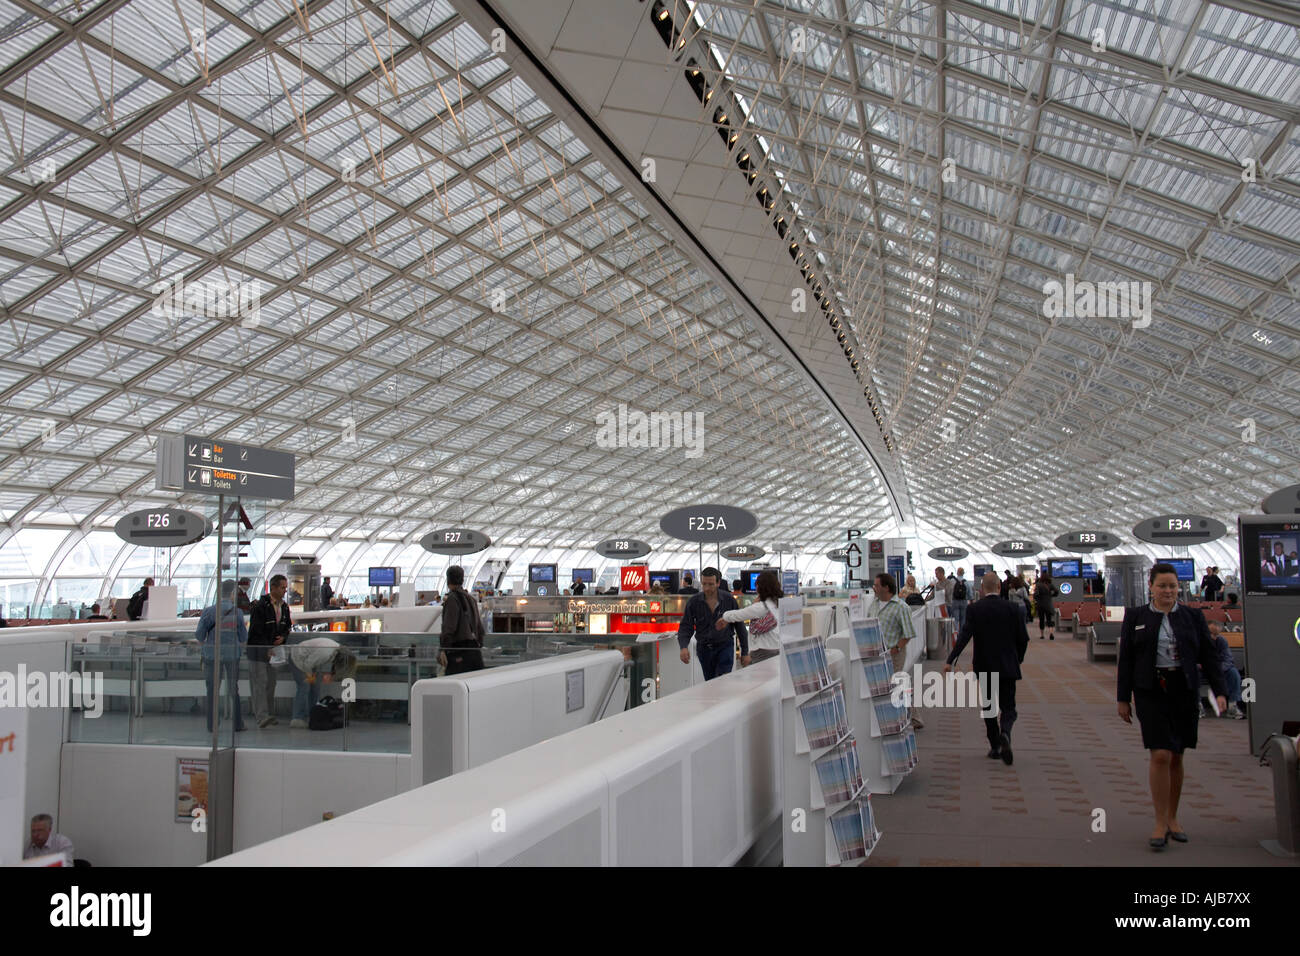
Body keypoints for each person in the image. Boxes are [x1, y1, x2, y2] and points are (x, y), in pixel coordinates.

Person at [1117, 562, 1227, 850]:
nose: (1168, 590)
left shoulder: (1192, 617)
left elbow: (1209, 656)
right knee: (1161, 754)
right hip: (1150, 691)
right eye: (1162, 585)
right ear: (1151, 587)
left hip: (1183, 690)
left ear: (1179, 587)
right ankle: (1159, 821)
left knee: (1177, 755)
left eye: (1172, 586)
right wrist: (1122, 698)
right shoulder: (1136, 616)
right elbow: (1126, 658)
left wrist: (1220, 691)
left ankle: (1173, 817)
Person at [944, 572, 1029, 764]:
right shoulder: (1014, 608)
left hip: (985, 666)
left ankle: (995, 746)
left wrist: (951, 659)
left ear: (982, 589)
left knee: (989, 707)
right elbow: (1023, 639)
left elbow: (964, 636)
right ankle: (1005, 733)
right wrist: (1018, 659)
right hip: (1008, 665)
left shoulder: (975, 609)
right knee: (1009, 707)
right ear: (1000, 587)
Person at [194, 579, 248, 733]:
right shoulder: (237, 612)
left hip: (212, 655)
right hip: (232, 655)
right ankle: (238, 723)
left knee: (212, 689)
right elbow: (244, 637)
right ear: (232, 594)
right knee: (233, 689)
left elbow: (199, 635)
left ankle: (212, 725)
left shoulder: (209, 611)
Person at [871, 572, 923, 729]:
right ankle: (909, 717)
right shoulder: (874, 604)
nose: (874, 588)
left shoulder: (901, 607)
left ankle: (912, 718)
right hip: (877, 653)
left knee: (896, 684)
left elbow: (908, 633)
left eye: (876, 585)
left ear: (886, 587)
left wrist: (896, 648)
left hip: (895, 653)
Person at [676, 567, 748, 680]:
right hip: (704, 649)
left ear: (718, 583)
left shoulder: (729, 600)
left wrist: (745, 652)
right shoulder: (694, 602)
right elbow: (686, 626)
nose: (707, 588)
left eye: (711, 584)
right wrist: (683, 647)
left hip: (725, 646)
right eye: (704, 584)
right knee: (710, 682)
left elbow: (739, 626)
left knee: (722, 680)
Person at [247, 573, 292, 728]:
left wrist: (283, 638)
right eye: (282, 587)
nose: (284, 591)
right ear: (273, 587)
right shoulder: (261, 606)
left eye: (286, 588)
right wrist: (266, 647)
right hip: (258, 653)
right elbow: (256, 631)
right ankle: (262, 715)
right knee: (260, 683)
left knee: (271, 683)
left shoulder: (284, 607)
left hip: (273, 652)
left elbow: (287, 627)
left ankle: (269, 714)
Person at [287, 636, 358, 728]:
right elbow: (307, 664)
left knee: (315, 688)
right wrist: (310, 676)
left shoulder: (335, 650)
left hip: (308, 661)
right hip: (297, 659)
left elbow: (316, 662)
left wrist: (329, 675)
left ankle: (312, 715)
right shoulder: (326, 653)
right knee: (304, 687)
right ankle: (297, 718)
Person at [718, 568, 782, 663]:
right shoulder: (777, 603)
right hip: (777, 647)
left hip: (762, 650)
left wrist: (724, 616)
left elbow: (739, 615)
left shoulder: (761, 607)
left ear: (761, 587)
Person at [439, 564, 485, 675]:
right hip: (474, 652)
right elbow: (480, 629)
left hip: (458, 653)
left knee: (454, 687)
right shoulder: (471, 599)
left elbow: (449, 628)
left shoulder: (452, 599)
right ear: (462, 580)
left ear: (448, 580)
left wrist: (443, 649)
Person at [1206, 623, 1245, 719]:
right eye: (1211, 633)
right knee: (1191, 673)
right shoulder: (1197, 640)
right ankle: (1197, 706)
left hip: (1218, 669)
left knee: (1233, 673)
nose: (1214, 637)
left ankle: (1232, 706)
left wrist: (1217, 670)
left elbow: (1228, 660)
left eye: (1216, 634)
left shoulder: (1221, 641)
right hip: (1202, 669)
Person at [1034, 571, 1058, 639]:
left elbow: (1035, 594)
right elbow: (1057, 591)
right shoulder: (1050, 584)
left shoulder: (1038, 584)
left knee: (1041, 620)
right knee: (1049, 619)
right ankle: (1051, 633)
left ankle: (1042, 635)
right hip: (1048, 603)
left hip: (1040, 604)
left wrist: (1037, 599)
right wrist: (1051, 595)